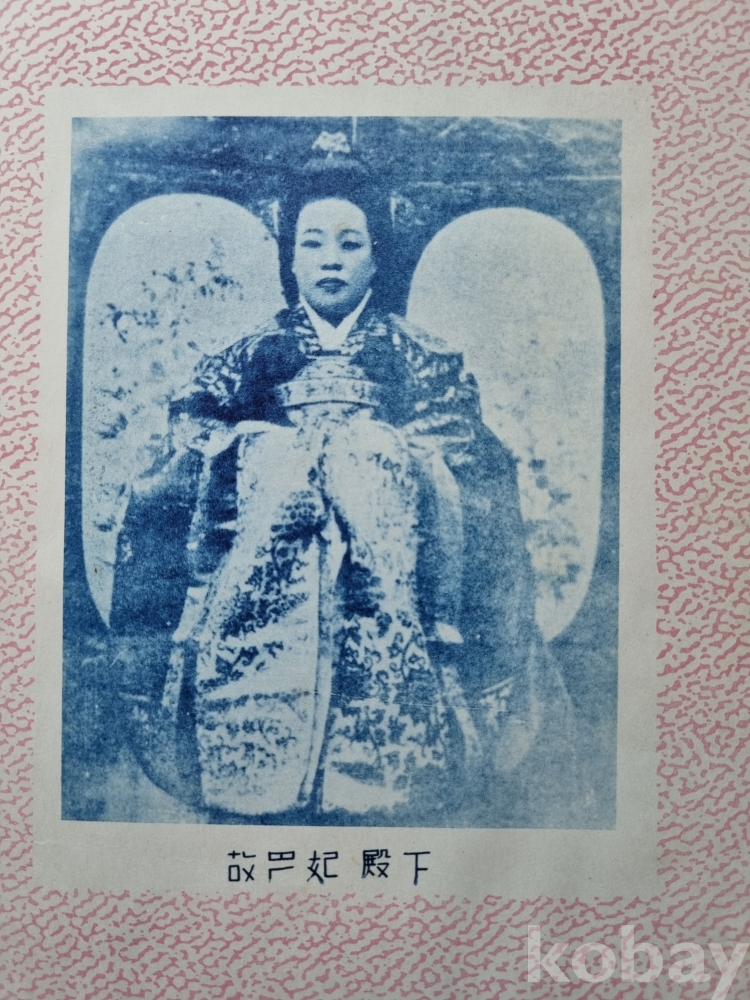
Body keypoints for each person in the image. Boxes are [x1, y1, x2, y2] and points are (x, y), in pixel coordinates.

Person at [110, 137, 578, 825]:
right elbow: (191, 430)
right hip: (269, 563)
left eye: (350, 243)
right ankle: (258, 768)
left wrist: (381, 457)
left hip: (388, 558)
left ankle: (383, 772)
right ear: (291, 259)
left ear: (376, 257)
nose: (331, 259)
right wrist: (257, 452)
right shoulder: (251, 354)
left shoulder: (418, 354)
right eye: (313, 243)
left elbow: (462, 447)